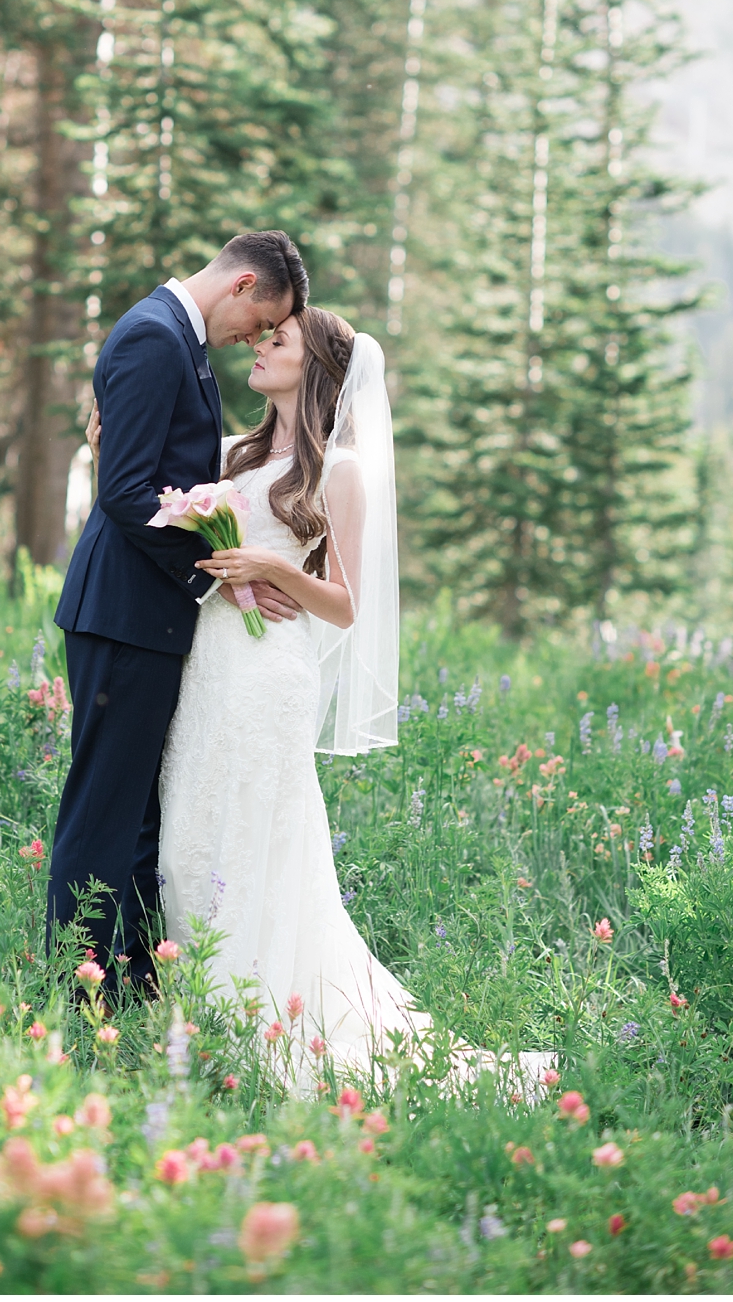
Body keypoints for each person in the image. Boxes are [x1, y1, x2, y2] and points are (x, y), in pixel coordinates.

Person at [155, 304, 552, 1093]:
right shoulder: (239, 450)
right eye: (263, 336)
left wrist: (269, 572)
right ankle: (198, 1019)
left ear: (318, 369)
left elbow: (343, 601)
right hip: (213, 666)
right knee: (186, 845)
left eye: (280, 340)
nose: (262, 346)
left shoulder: (339, 469)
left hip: (271, 677)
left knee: (249, 851)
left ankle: (256, 1031)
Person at [49, 232, 310, 998]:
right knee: (102, 811)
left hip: (145, 617)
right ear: (245, 283)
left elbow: (154, 469)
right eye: (261, 322)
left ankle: (133, 979)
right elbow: (128, 492)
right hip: (124, 613)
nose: (254, 340)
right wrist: (217, 574)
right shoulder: (155, 337)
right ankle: (76, 986)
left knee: (134, 816)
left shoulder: (177, 340)